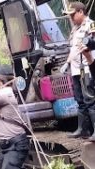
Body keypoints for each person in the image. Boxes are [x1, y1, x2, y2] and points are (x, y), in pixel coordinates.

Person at [60, 2, 95, 139]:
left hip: (86, 67)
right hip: (75, 69)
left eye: (73, 14)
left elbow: (92, 45)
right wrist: (67, 63)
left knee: (90, 99)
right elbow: (73, 49)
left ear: (81, 12)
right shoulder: (75, 29)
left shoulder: (90, 25)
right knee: (79, 99)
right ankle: (83, 129)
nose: (71, 18)